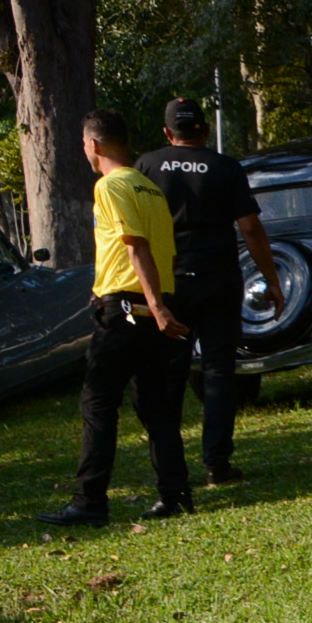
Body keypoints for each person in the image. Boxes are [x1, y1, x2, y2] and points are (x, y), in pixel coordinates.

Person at [41, 111, 192, 528]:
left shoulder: (109, 185)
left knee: (97, 400)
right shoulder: (150, 188)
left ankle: (89, 501)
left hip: (129, 308)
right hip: (148, 301)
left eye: (84, 144)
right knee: (155, 406)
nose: (84, 151)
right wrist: (152, 300)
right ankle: (175, 494)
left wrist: (154, 305)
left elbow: (135, 245)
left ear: (95, 145)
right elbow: (161, 251)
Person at [136, 97, 280, 485]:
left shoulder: (147, 166)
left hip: (171, 282)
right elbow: (250, 227)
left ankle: (169, 467)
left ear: (168, 133)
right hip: (218, 278)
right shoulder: (225, 167)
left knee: (170, 374)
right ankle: (217, 463)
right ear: (203, 130)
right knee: (219, 372)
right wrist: (272, 278)